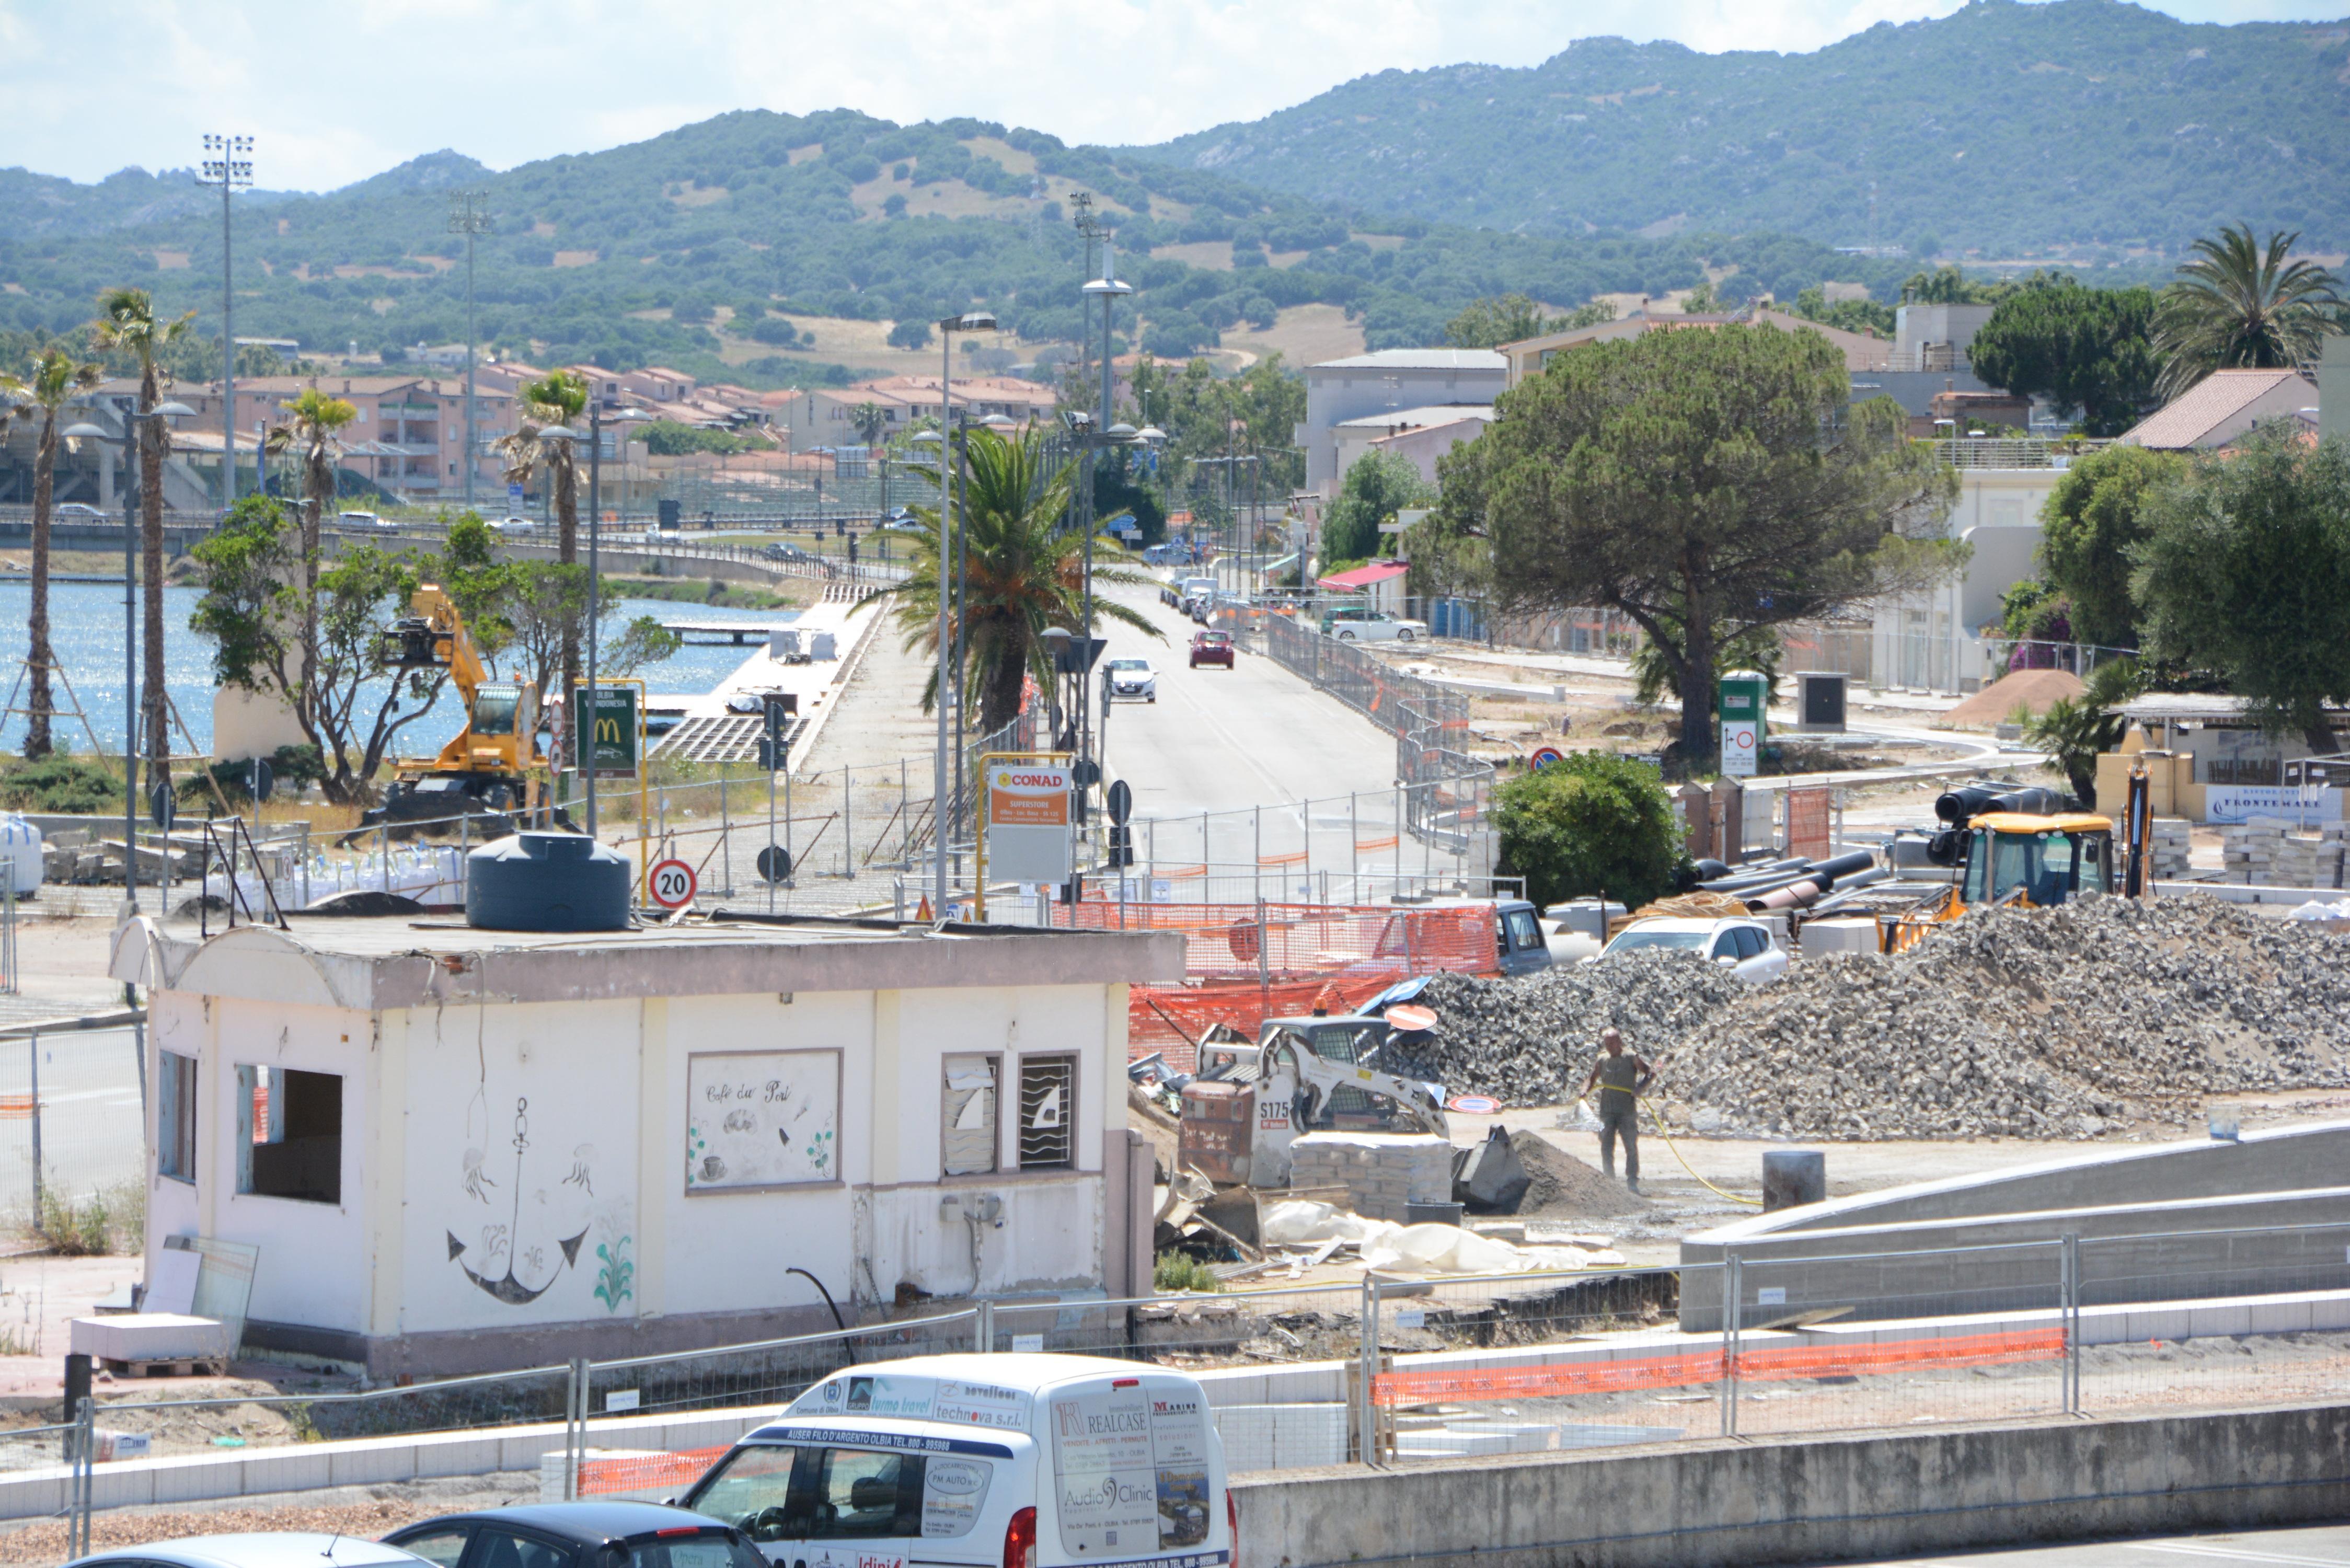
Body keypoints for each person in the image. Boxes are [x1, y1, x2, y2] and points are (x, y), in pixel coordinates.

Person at [1580, 1028, 1653, 1194]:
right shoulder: (1602, 1060)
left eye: (1612, 1043)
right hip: (1607, 1110)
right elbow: (1591, 1078)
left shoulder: (1631, 1057)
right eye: (1607, 1044)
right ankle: (1610, 1182)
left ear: (1619, 1042)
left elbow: (1650, 1072)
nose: (1610, 1047)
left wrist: (1640, 1088)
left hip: (1626, 1110)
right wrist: (1585, 1090)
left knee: (1631, 1146)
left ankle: (1632, 1183)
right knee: (1606, 1145)